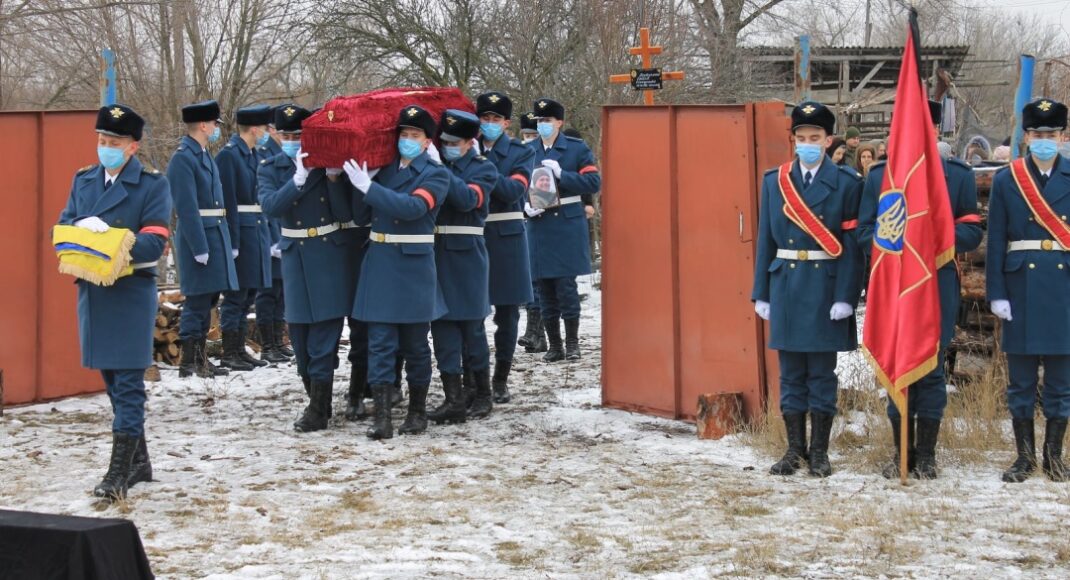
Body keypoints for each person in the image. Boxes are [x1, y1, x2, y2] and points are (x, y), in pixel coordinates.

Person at [859, 100, 982, 480]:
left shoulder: (957, 176)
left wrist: (928, 240)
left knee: (930, 371)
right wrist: (898, 242)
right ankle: (902, 455)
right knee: (899, 369)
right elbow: (865, 233)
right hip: (895, 286)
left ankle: (926, 456)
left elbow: (972, 229)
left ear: (936, 133)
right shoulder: (880, 177)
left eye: (925, 129)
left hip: (936, 283)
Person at [58, 104, 171, 501]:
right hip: (94, 292)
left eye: (114, 142)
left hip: (130, 292)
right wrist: (81, 228)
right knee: (111, 381)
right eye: (101, 140)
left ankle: (118, 472)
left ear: (132, 147)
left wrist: (110, 238)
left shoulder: (153, 185)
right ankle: (140, 463)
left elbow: (154, 240)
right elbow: (65, 225)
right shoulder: (84, 180)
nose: (105, 147)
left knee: (127, 385)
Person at [751, 101, 863, 478]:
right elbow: (765, 240)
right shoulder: (774, 181)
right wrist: (761, 292)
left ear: (829, 140)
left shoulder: (847, 183)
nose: (808, 144)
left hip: (825, 288)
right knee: (791, 375)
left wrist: (847, 296)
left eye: (815, 138)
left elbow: (852, 248)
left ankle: (820, 453)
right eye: (801, 138)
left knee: (821, 375)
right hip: (786, 286)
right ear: (793, 140)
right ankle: (793, 450)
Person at [343, 105, 450, 439]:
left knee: (416, 344)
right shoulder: (384, 170)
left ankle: (417, 413)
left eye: (414, 135)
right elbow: (360, 216)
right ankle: (383, 417)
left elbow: (413, 208)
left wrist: (369, 188)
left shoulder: (436, 173)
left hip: (414, 264)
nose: (406, 140)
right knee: (379, 342)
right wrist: (361, 184)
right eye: (403, 134)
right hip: (381, 261)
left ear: (426, 140)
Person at [258, 104, 359, 433]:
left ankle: (318, 408)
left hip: (328, 253)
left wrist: (332, 178)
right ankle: (318, 399)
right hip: (294, 255)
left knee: (324, 336)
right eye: (285, 135)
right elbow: (271, 206)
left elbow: (345, 212)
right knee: (300, 338)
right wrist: (297, 180)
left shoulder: (324, 165)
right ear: (275, 134)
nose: (290, 141)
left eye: (296, 136)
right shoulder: (270, 167)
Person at [987, 97, 1070, 483]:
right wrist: (996, 293)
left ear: (1062, 135)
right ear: (1026, 137)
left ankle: (1053, 457)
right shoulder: (1008, 179)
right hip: (1019, 286)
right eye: (1037, 133)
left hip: (1063, 286)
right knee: (1020, 380)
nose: (1044, 139)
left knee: (1060, 380)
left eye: (1051, 133)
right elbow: (997, 240)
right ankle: (1023, 458)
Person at [421, 109, 499, 424]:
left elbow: (467, 200)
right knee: (442, 329)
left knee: (472, 328)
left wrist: (440, 169)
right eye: (445, 141)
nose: (448, 146)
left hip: (467, 255)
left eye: (455, 142)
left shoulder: (484, 169)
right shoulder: (434, 164)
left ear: (470, 142)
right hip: (436, 253)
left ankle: (482, 393)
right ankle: (453, 398)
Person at [526, 98, 602, 362]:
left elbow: (593, 182)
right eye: (539, 121)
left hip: (566, 224)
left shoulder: (576, 149)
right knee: (544, 287)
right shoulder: (528, 150)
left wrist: (562, 175)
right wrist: (524, 205)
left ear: (559, 122)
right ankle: (554, 345)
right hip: (539, 225)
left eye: (547, 121)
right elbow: (517, 183)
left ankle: (572, 343)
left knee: (565, 286)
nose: (543, 125)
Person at [167, 100, 238, 379]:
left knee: (208, 300)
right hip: (199, 237)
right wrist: (198, 246)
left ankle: (200, 359)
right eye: (214, 123)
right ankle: (189, 362)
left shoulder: (203, 154)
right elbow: (186, 207)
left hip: (214, 233)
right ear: (203, 125)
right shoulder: (183, 158)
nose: (216, 128)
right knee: (196, 302)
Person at [475, 92, 535, 404]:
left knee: (508, 314)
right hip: (473, 236)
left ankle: (500, 378)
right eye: (484, 118)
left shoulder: (519, 152)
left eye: (495, 119)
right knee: (471, 313)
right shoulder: (463, 148)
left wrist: (481, 166)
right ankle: (476, 376)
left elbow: (514, 189)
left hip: (508, 235)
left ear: (507, 122)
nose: (489, 123)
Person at [216, 105, 274, 371]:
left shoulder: (252, 154)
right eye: (264, 128)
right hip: (241, 230)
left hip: (256, 229)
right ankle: (229, 351)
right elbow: (227, 199)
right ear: (254, 129)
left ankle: (239, 349)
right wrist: (233, 242)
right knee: (236, 295)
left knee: (249, 292)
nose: (266, 133)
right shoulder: (230, 156)